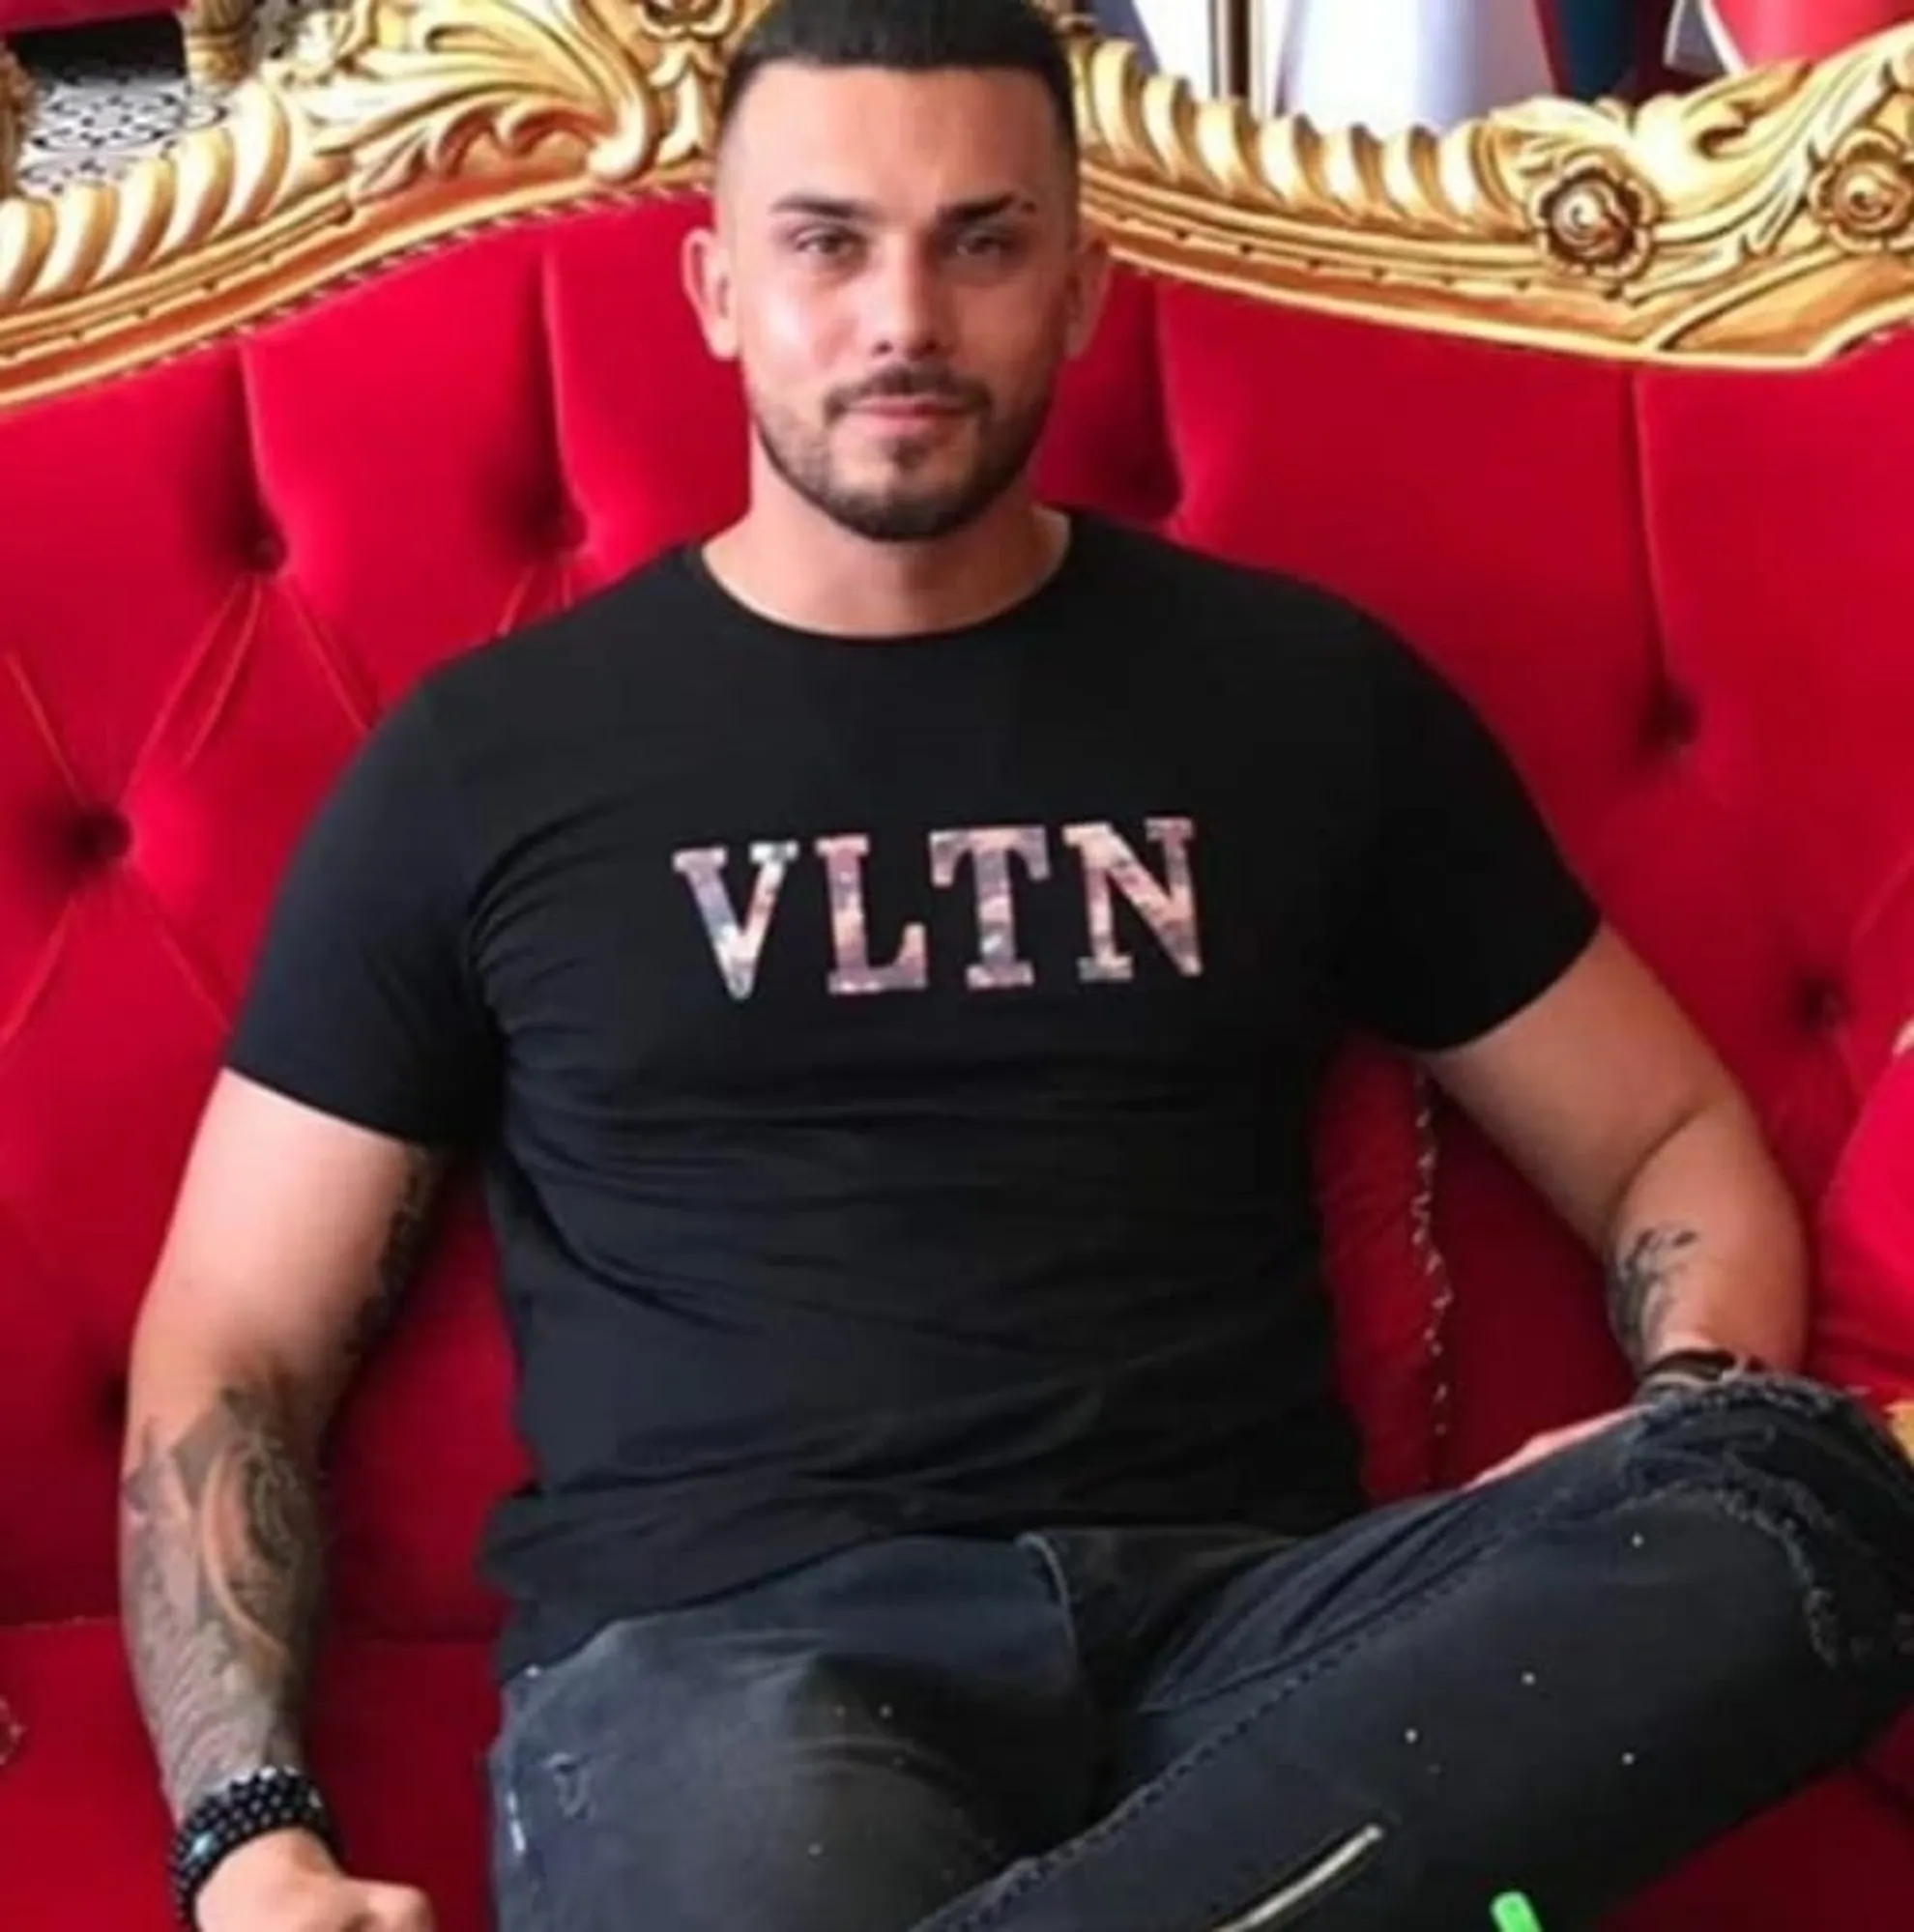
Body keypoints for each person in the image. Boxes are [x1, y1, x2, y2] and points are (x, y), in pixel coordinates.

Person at [117, 2, 1914, 1929]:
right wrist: (250, 1840)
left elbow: (1663, 1135)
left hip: (1261, 1648)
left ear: (1078, 289)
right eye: (828, 244)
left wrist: (1678, 1395)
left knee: (1784, 1499)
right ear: (718, 292)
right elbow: (234, 1335)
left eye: (979, 242)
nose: (903, 317)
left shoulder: (1301, 700)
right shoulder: (489, 766)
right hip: (736, 1671)